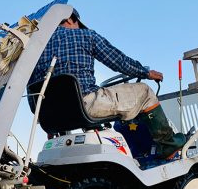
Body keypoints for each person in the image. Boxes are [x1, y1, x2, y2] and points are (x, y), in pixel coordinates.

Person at [29, 9, 187, 159]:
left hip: (52, 116)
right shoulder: (86, 35)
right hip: (86, 104)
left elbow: (32, 90)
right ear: (70, 19)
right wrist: (145, 73)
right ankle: (167, 145)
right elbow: (118, 61)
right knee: (145, 92)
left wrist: (46, 117)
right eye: (78, 25)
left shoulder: (35, 49)